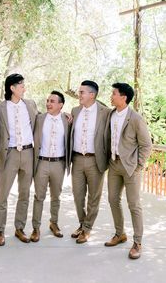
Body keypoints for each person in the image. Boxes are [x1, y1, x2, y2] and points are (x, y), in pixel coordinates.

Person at [104, 83, 152, 259]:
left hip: (131, 167)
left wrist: (138, 165)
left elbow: (146, 145)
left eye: (114, 93)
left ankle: (137, 242)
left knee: (134, 205)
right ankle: (120, 234)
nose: (111, 96)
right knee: (112, 199)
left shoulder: (136, 118)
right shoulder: (110, 114)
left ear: (123, 97)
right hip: (114, 165)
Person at [0, 73, 38, 245]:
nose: (24, 88)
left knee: (24, 193)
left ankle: (20, 228)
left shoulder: (31, 104)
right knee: (2, 194)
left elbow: (41, 118)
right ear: (12, 88)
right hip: (10, 154)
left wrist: (64, 115)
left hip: (28, 153)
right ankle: (0, 231)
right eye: (21, 85)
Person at [70, 80, 110, 244]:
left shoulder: (105, 112)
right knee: (78, 195)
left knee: (94, 197)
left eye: (82, 92)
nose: (79, 95)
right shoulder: (75, 111)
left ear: (92, 95)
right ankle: (81, 224)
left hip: (96, 160)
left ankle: (87, 229)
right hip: (77, 159)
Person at [30, 91, 70, 242]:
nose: (48, 103)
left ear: (60, 105)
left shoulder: (67, 120)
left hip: (59, 163)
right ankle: (36, 228)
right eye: (47, 100)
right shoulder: (39, 119)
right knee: (39, 196)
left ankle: (54, 223)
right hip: (41, 162)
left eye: (52, 101)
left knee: (56, 197)